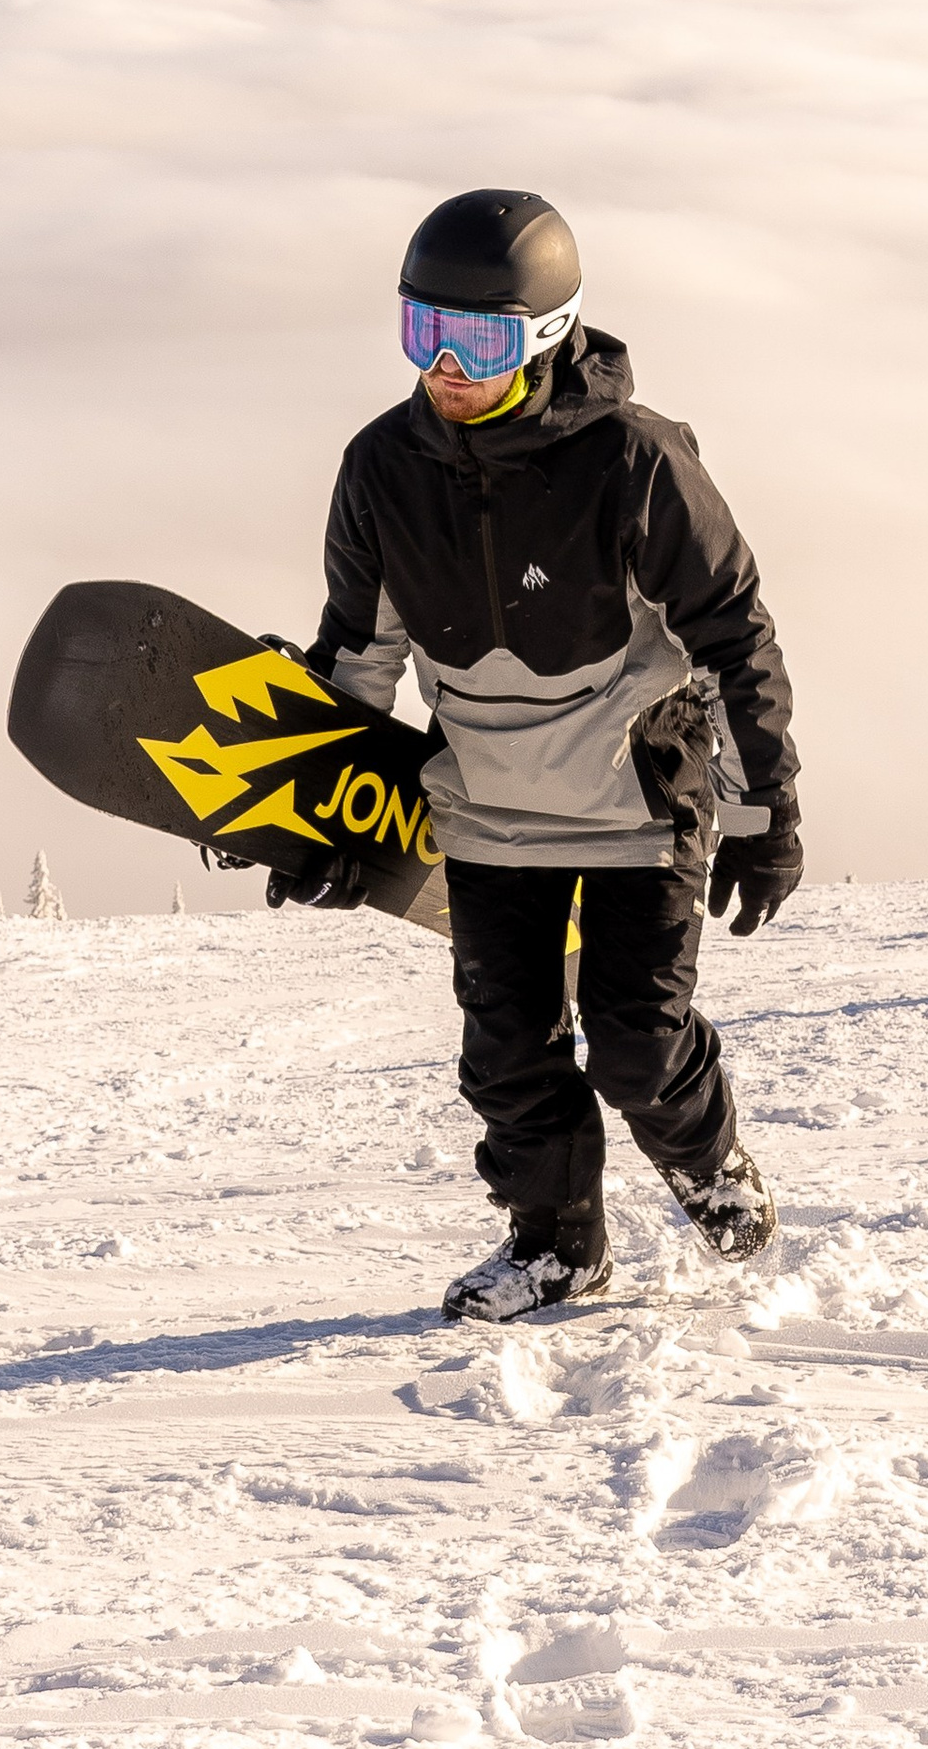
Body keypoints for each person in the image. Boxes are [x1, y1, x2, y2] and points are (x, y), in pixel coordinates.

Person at [257, 187, 801, 1322]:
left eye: (481, 339)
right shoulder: (382, 470)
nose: (447, 366)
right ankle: (558, 1245)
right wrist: (309, 815)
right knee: (507, 1055)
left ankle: (709, 1165)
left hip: (638, 808)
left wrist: (764, 811)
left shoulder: (635, 463)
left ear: (546, 334)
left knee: (638, 1048)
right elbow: (359, 656)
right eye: (424, 332)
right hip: (487, 815)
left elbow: (731, 634)